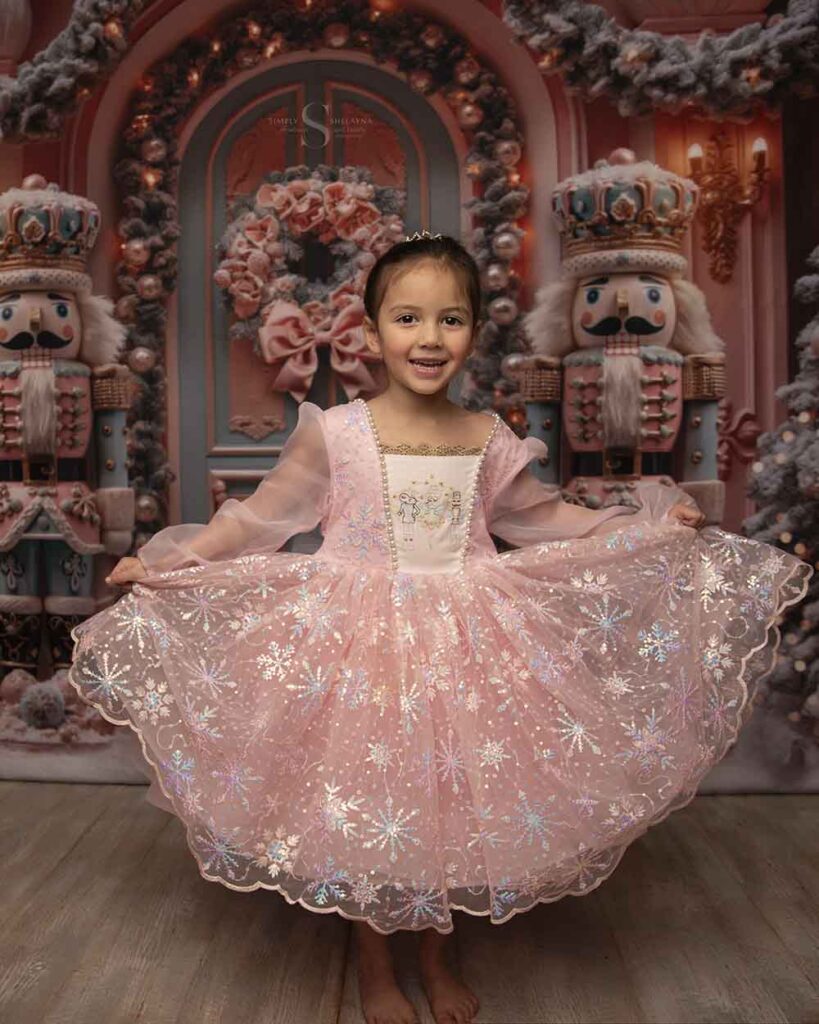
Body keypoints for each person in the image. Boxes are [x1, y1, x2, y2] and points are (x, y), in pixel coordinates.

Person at [69, 233, 813, 1024]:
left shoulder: (487, 437)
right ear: (370, 331)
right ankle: (374, 956)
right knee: (371, 791)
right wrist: (174, 562)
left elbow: (544, 517)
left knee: (456, 795)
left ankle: (436, 946)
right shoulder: (339, 431)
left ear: (472, 332)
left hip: (468, 639)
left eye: (449, 319)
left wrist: (646, 527)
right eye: (408, 318)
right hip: (358, 638)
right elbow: (261, 516)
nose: (429, 338)